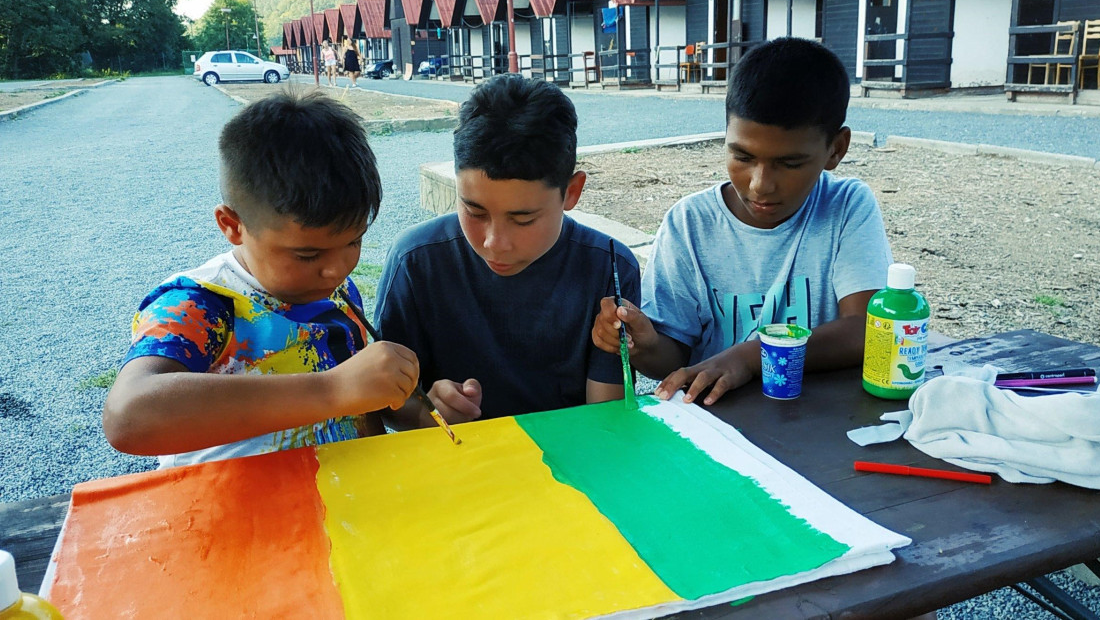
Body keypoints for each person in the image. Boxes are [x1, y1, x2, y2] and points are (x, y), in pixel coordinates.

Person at [102, 91, 418, 467]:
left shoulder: (335, 290)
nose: (337, 270)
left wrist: (411, 406)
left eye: (353, 241)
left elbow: (355, 401)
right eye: (307, 255)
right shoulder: (199, 304)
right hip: (233, 501)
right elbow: (127, 416)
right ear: (232, 225)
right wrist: (331, 389)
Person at [592, 37, 893, 406]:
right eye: (743, 157)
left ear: (836, 149)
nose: (760, 184)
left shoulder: (846, 206)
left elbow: (869, 329)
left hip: (818, 417)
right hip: (717, 422)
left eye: (790, 163)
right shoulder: (690, 224)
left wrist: (752, 357)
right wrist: (643, 343)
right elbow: (672, 360)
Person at [375, 74, 640, 425]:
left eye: (523, 219)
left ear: (572, 192)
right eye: (474, 211)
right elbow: (385, 403)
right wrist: (427, 412)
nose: (494, 243)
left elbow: (604, 420)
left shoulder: (609, 266)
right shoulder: (416, 261)